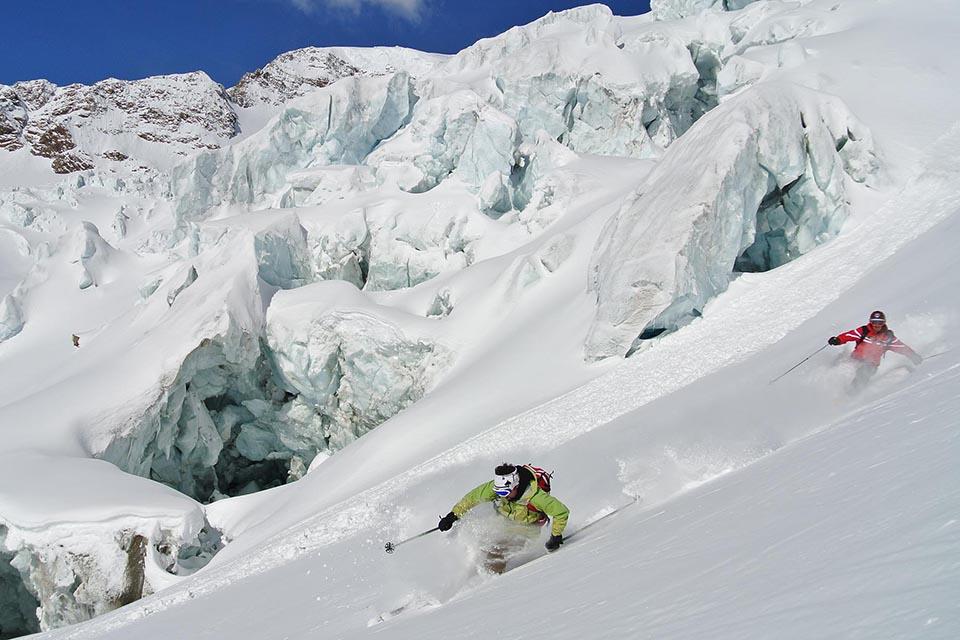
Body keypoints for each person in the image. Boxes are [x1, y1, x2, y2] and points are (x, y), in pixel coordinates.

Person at [437, 463, 570, 573]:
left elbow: (561, 512)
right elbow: (473, 498)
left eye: (505, 492)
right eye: (499, 492)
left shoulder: (536, 497)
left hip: (525, 531)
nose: (502, 495)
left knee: (495, 553)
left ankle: (491, 583)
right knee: (482, 544)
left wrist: (555, 536)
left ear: (515, 486)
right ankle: (476, 572)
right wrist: (452, 515)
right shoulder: (499, 487)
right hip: (503, 522)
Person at [827, 310, 922, 390]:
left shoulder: (887, 338)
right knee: (840, 365)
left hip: (871, 364)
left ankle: (851, 394)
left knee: (863, 372)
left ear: (884, 323)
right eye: (874, 322)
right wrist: (838, 340)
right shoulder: (864, 331)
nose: (876, 325)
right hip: (855, 359)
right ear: (870, 322)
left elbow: (902, 348)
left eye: (880, 322)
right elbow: (849, 335)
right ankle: (833, 390)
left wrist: (913, 356)